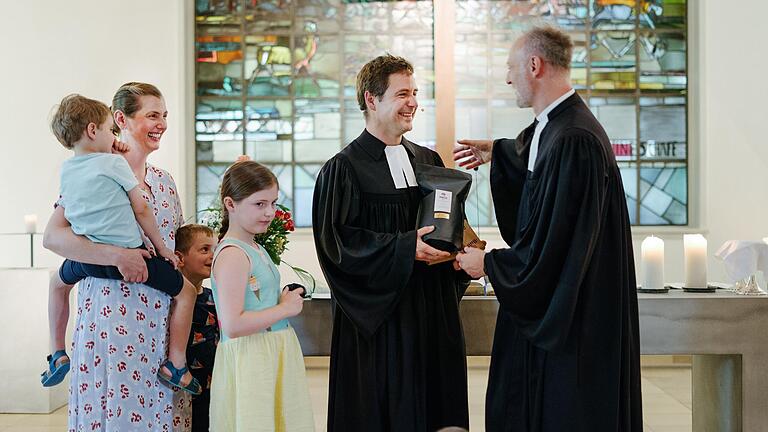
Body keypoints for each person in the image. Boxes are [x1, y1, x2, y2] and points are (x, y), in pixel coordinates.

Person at [454, 27, 643, 431]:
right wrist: (498, 152)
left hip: (574, 323)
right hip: (565, 313)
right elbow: (533, 162)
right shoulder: (554, 125)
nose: (508, 79)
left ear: (534, 66)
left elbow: (556, 243)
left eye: (511, 68)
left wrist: (488, 263)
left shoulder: (574, 138)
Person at [312, 54, 470, 431]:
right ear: (371, 99)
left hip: (432, 310)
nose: (413, 102)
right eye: (402, 94)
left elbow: (449, 222)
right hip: (382, 324)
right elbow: (337, 245)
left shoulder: (427, 159)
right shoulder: (343, 169)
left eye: (414, 93)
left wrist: (462, 248)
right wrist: (404, 247)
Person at [43, 82, 192, 430]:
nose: (162, 124)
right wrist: (116, 255)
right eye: (152, 115)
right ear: (121, 119)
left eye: (165, 116)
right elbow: (54, 236)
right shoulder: (96, 168)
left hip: (160, 320)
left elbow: (173, 241)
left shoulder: (165, 180)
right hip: (112, 318)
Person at [209, 160, 314, 431]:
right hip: (252, 358)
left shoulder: (253, 246)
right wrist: (285, 309)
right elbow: (233, 325)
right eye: (259, 204)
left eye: (273, 203)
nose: (270, 212)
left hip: (271, 349)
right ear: (231, 204)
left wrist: (280, 299)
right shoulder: (233, 254)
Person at [175, 224, 219, 432]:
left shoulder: (214, 296)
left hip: (212, 387)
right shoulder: (171, 301)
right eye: (204, 250)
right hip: (182, 389)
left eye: (215, 250)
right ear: (180, 257)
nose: (213, 255)